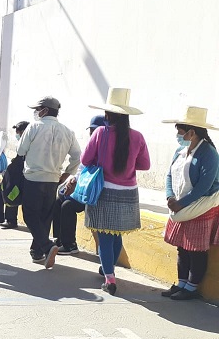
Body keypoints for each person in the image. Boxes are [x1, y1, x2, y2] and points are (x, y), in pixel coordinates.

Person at [81, 89, 149, 295]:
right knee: (116, 233)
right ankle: (107, 268)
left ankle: (109, 278)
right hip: (128, 192)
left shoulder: (100, 133)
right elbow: (144, 165)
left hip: (104, 190)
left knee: (104, 235)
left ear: (108, 115)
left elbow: (85, 160)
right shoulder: (137, 136)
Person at [160, 106, 219, 300]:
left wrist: (182, 203)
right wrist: (170, 197)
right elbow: (170, 174)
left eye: (180, 130)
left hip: (200, 206)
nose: (178, 134)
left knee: (196, 249)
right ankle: (181, 283)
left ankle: (191, 288)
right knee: (182, 247)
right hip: (179, 204)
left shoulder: (209, 154)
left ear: (192, 132)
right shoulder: (180, 150)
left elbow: (204, 185)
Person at [17, 96, 80, 268]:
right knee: (44, 217)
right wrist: (68, 173)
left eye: (37, 109)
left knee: (30, 215)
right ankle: (37, 252)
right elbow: (77, 156)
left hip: (33, 178)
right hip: (53, 179)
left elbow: (21, 150)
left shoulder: (34, 127)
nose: (35, 113)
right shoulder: (67, 131)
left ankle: (47, 246)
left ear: (44, 110)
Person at [51, 116, 104, 253]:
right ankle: (60, 239)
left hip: (97, 191)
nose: (92, 134)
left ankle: (70, 245)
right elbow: (82, 167)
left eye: (95, 130)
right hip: (85, 188)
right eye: (91, 130)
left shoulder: (106, 149)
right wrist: (72, 180)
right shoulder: (91, 146)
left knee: (68, 206)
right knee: (59, 201)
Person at [0, 121, 29, 229]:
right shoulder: (22, 143)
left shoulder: (29, 143)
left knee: (11, 192)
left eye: (18, 132)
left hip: (24, 178)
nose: (17, 135)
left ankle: (11, 220)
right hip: (15, 176)